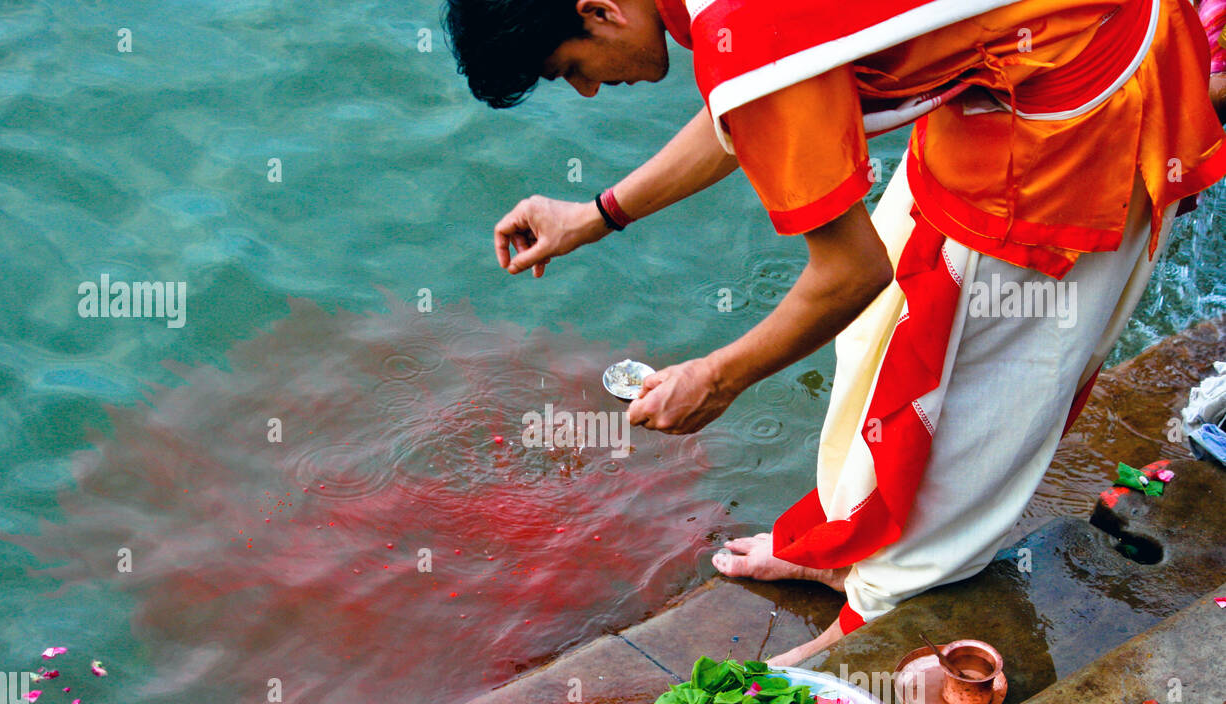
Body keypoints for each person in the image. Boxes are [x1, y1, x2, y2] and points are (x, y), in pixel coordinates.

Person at [442, 0, 1226, 663]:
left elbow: (850, 273)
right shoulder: (724, 27)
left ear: (598, 11)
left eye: (569, 67)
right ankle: (849, 545)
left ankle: (887, 617)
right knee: (879, 343)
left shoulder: (739, 34)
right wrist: (598, 213)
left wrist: (717, 375)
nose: (584, 90)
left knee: (979, 392)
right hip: (1004, 63)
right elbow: (747, 107)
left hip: (1076, 98)